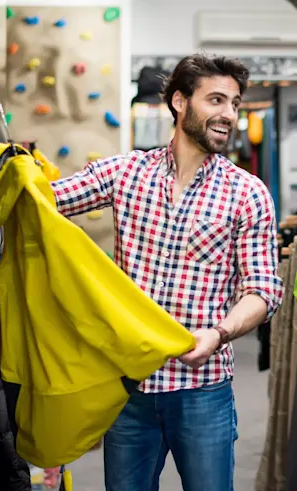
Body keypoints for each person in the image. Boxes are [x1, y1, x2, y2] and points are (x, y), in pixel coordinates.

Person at [51, 54, 284, 491]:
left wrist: (218, 334)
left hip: (203, 389)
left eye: (235, 104)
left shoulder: (248, 192)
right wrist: (10, 171)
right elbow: (44, 201)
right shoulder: (125, 173)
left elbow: (263, 290)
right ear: (180, 101)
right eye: (216, 99)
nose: (228, 115)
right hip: (128, 389)